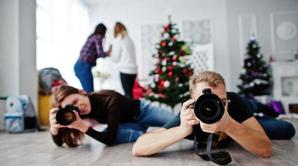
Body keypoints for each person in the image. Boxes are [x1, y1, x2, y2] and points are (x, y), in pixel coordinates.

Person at [132, 71, 273, 158]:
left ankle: (261, 110)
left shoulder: (233, 103)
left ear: (226, 98)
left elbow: (265, 149)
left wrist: (229, 125)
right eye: (206, 102)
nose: (213, 106)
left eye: (221, 101)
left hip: (240, 116)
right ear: (193, 102)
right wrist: (182, 130)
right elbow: (138, 148)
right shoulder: (190, 115)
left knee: (285, 129)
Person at [49, 85, 175, 147]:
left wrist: (83, 127)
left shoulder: (109, 98)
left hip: (143, 111)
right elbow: (60, 143)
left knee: (177, 122)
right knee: (112, 133)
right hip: (129, 124)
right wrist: (54, 130)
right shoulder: (77, 113)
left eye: (76, 101)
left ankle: (153, 135)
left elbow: (109, 140)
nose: (78, 107)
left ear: (82, 92)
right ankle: (150, 136)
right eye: (71, 107)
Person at [74, 23, 111, 93]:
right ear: (103, 31)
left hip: (79, 65)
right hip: (83, 66)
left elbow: (94, 54)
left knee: (87, 92)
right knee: (90, 93)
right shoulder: (98, 37)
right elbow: (100, 53)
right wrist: (108, 53)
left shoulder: (92, 37)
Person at [110, 22, 137, 98]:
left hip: (125, 70)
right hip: (133, 70)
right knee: (130, 92)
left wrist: (110, 52)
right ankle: (133, 108)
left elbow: (115, 58)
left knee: (127, 94)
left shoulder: (118, 40)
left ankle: (130, 109)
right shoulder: (129, 39)